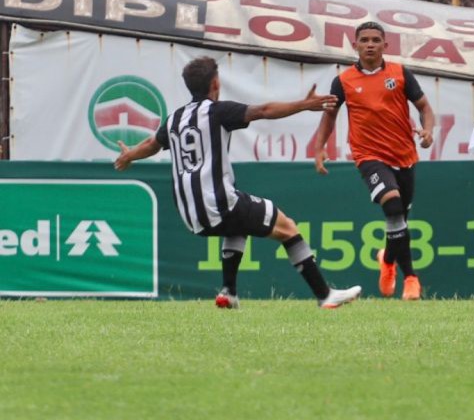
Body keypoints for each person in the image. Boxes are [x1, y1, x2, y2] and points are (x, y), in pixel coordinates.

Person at [114, 56, 361, 309]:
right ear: (216, 83)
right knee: (287, 227)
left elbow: (151, 145)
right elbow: (263, 111)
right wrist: (304, 104)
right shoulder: (217, 111)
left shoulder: (175, 119)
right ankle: (325, 295)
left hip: (189, 213)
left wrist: (129, 155)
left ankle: (228, 292)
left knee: (237, 226)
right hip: (218, 204)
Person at [313, 21, 435, 301]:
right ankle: (412, 278)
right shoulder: (343, 81)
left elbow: (425, 108)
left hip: (404, 155)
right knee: (392, 205)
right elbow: (330, 116)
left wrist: (428, 131)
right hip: (369, 155)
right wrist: (319, 147)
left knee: (399, 219)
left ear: (385, 45)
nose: (370, 44)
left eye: (375, 40)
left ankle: (387, 260)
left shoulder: (400, 74)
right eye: (364, 40)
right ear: (355, 45)